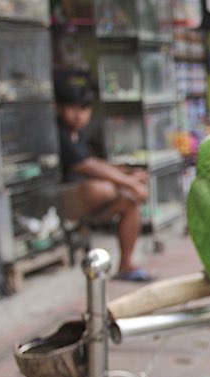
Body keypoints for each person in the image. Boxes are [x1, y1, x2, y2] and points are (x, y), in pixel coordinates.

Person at [55, 77, 153, 282]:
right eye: (72, 108)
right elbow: (87, 166)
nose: (78, 115)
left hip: (86, 201)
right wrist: (129, 182)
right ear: (59, 108)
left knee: (130, 204)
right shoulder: (59, 134)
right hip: (62, 200)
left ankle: (126, 265)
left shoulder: (77, 134)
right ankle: (123, 190)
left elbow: (94, 162)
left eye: (84, 109)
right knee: (101, 189)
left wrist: (127, 173)